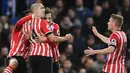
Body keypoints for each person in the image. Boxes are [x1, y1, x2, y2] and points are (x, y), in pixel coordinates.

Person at [26, 3, 73, 73]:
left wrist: (45, 39)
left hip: (52, 56)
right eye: (46, 18)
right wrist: (66, 38)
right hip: (44, 55)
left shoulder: (55, 26)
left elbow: (55, 42)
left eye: (50, 18)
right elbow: (53, 39)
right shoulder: (41, 23)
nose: (48, 20)